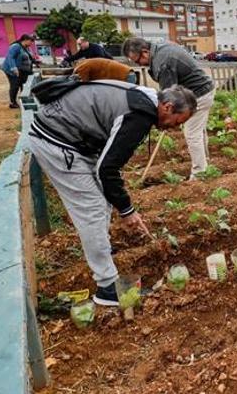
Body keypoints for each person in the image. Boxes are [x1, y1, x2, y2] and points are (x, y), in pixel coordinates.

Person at [29, 80, 197, 305]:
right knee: (93, 208)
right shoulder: (139, 115)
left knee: (103, 199)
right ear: (167, 107)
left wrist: (121, 205)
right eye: (179, 121)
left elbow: (106, 168)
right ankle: (107, 288)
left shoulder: (146, 97)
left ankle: (100, 247)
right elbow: (107, 169)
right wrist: (128, 211)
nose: (175, 127)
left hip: (70, 136)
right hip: (58, 141)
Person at [123, 37, 215, 179]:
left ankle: (200, 173)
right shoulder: (159, 49)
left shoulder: (163, 62)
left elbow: (169, 96)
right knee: (198, 131)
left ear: (145, 52)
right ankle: (204, 163)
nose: (138, 64)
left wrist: (164, 119)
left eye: (137, 60)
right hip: (200, 90)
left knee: (192, 133)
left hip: (199, 94)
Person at [2, 34, 36, 109]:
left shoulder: (27, 48)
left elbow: (29, 58)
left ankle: (25, 100)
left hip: (23, 70)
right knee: (15, 85)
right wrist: (14, 68)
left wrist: (35, 61)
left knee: (24, 84)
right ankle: (12, 102)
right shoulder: (16, 47)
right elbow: (10, 57)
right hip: (13, 70)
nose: (32, 43)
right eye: (31, 41)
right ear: (25, 40)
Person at [73, 58, 137, 83]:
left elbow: (84, 83)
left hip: (126, 76)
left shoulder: (81, 67)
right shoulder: (87, 62)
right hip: (129, 73)